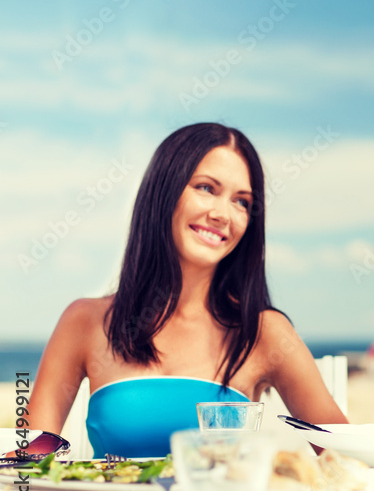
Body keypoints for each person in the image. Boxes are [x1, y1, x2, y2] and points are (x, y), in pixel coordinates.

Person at [29, 123, 348, 458]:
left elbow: (352, 461)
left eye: (241, 201)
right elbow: (25, 466)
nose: (223, 214)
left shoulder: (263, 331)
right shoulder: (85, 321)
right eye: (206, 188)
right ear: (163, 191)